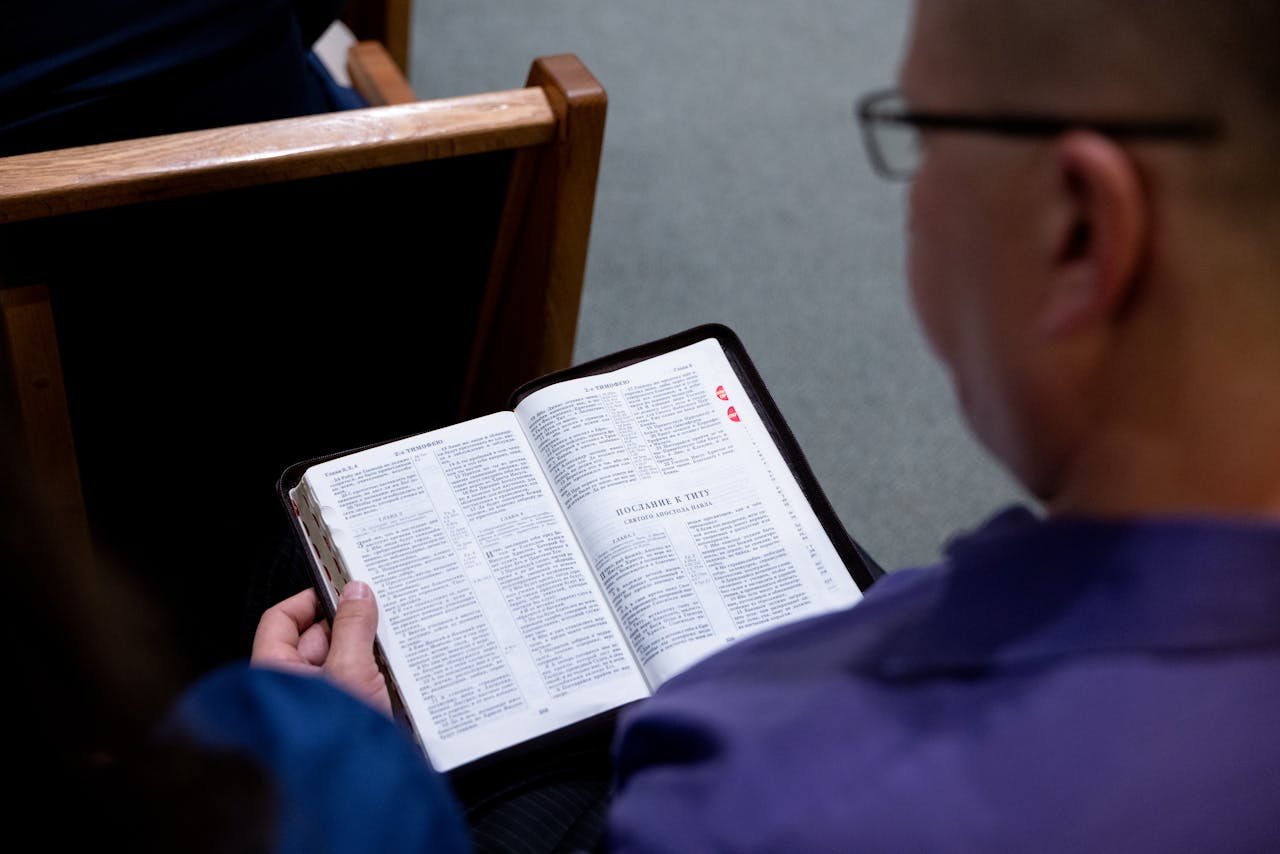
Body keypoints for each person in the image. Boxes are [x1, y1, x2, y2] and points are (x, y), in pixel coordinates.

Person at [89, 0, 1280, 849]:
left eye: (923, 136)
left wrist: (323, 770)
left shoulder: (759, 802)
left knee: (295, 564)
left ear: (1076, 232)